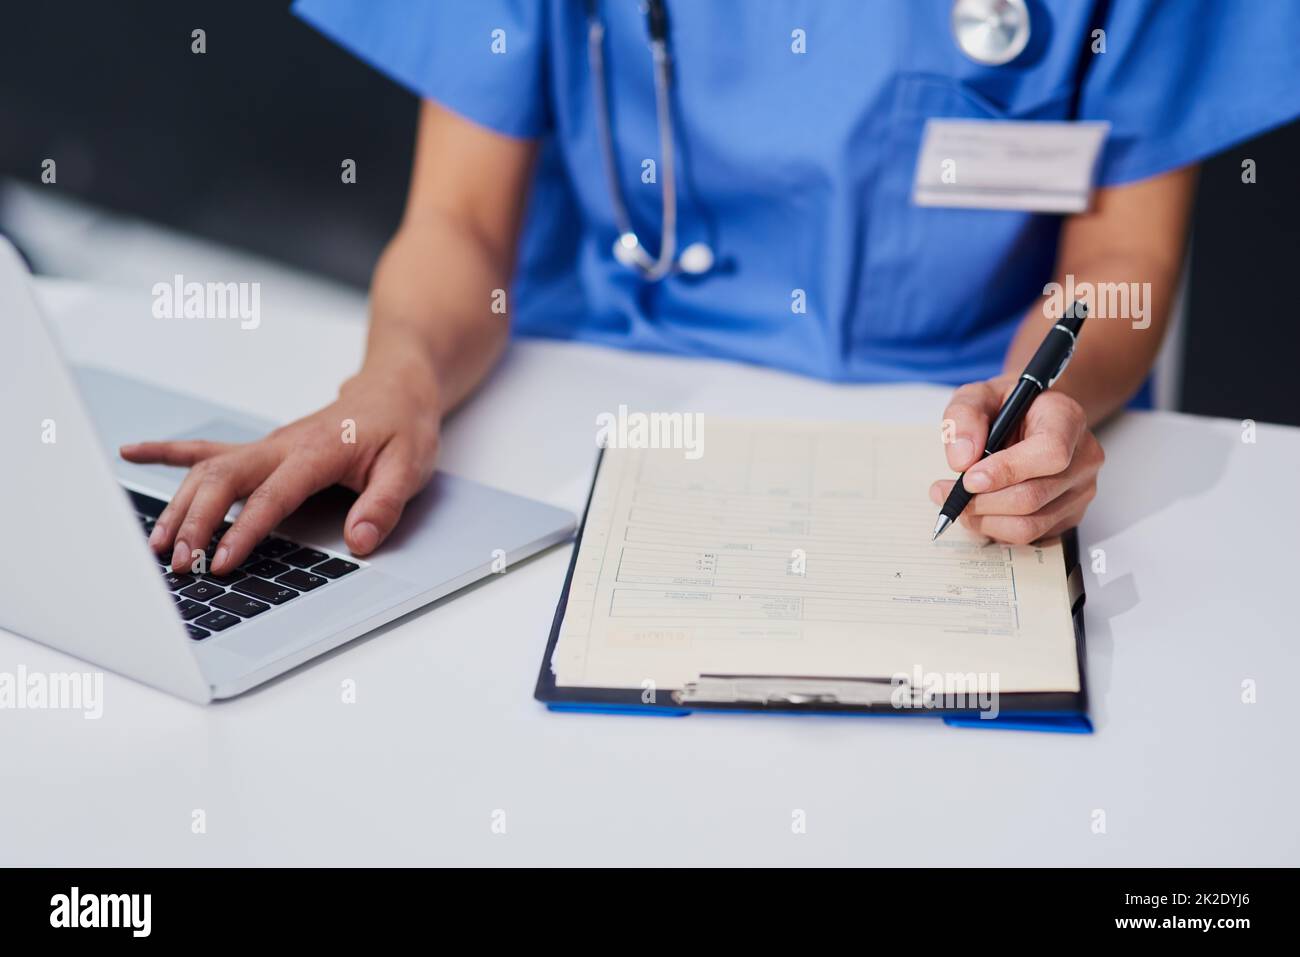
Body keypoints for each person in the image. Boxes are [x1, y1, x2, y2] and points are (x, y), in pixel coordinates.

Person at [123, 0, 1300, 574]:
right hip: (576, 408)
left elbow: (1120, 269)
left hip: (954, 433)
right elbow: (458, 225)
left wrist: (1045, 400)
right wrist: (393, 380)